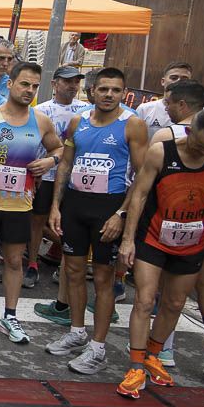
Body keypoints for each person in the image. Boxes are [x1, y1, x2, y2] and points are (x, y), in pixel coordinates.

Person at [117, 108, 204, 399]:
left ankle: (153, 355)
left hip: (192, 240)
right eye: (200, 145)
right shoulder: (161, 152)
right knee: (145, 300)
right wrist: (128, 240)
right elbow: (140, 195)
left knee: (174, 303)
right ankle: (135, 366)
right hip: (153, 237)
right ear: (189, 131)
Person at [44, 68, 147, 373]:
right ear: (92, 92)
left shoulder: (133, 124)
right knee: (73, 271)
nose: (109, 95)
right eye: (103, 89)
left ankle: (98, 348)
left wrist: (121, 214)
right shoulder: (79, 121)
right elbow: (65, 165)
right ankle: (77, 332)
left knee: (103, 279)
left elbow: (141, 177)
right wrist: (56, 206)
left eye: (116, 90)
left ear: (123, 93)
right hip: (76, 204)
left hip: (109, 207)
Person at [0, 63, 64, 344]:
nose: (29, 90)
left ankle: (10, 315)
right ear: (10, 84)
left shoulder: (40, 120)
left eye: (34, 86)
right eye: (24, 84)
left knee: (14, 261)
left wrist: (50, 161)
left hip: (19, 204)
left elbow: (59, 147)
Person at [28, 66, 88, 291]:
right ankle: (32, 263)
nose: (73, 86)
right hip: (46, 174)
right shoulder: (40, 110)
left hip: (73, 176)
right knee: (37, 221)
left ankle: (66, 265)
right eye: (67, 81)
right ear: (54, 84)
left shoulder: (86, 110)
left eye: (76, 81)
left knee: (70, 222)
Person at [136, 61, 193, 134]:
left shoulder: (201, 113)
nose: (179, 82)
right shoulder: (144, 109)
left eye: (184, 79)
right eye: (174, 78)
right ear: (163, 81)